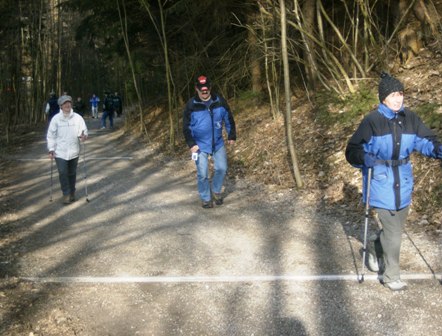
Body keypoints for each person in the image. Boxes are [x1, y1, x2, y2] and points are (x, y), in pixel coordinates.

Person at [345, 72, 442, 291]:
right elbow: (352, 150)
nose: (398, 99)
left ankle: (373, 247)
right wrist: (364, 158)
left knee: (394, 229)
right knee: (394, 233)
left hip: (404, 182)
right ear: (383, 98)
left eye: (400, 94)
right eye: (393, 95)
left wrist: (437, 150)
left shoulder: (411, 118)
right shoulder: (372, 121)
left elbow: (425, 141)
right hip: (381, 182)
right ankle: (391, 276)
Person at [183, 75, 236, 208]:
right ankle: (206, 198)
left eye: (207, 89)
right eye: (202, 90)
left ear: (210, 88)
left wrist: (231, 135)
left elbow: (228, 118)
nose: (204, 92)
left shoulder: (219, 101)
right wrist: (191, 144)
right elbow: (186, 127)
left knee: (222, 168)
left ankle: (216, 191)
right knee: (203, 174)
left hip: (217, 142)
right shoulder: (191, 105)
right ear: (196, 89)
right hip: (199, 145)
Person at [47, 95, 88, 204]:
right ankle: (66, 193)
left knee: (72, 173)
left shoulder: (78, 118)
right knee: (62, 172)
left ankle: (72, 192)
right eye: (65, 103)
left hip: (74, 151)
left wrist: (83, 136)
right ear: (61, 106)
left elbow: (83, 131)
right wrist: (51, 149)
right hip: (60, 152)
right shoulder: (56, 119)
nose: (67, 105)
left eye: (69, 102)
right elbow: (50, 135)